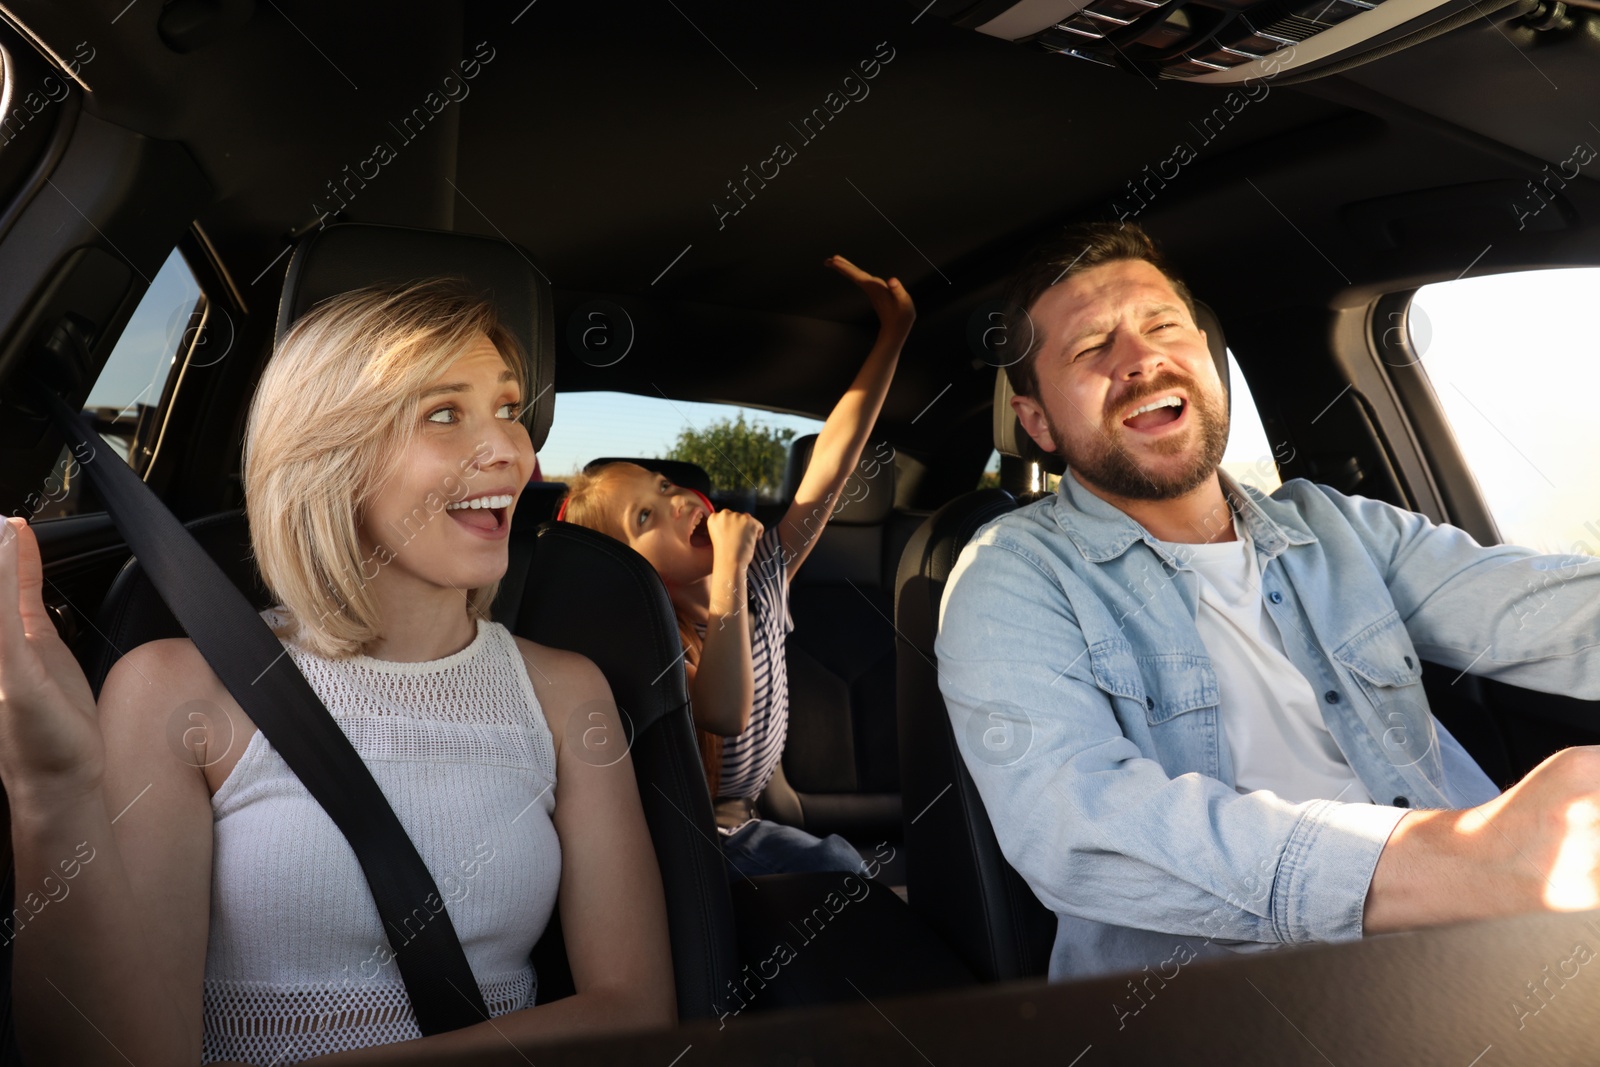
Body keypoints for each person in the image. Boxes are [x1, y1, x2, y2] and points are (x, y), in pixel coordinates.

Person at [0, 281, 674, 1065]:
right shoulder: (176, 690)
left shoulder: (566, 695)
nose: (512, 451)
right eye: (445, 413)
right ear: (333, 456)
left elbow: (637, 1014)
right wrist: (51, 789)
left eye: (509, 409)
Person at [936, 222, 1600, 986]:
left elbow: (1539, 608)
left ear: (1208, 363)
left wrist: (1486, 869)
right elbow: (1076, 825)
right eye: (1091, 348)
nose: (1141, 359)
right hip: (1228, 1006)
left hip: (1485, 946)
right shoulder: (1011, 574)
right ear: (1039, 421)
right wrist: (1461, 859)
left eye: (1163, 326)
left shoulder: (1336, 526)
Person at [557, 255, 914, 879]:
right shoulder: (658, 635)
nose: (674, 501)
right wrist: (728, 577)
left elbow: (833, 457)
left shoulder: (762, 577)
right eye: (645, 518)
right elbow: (722, 712)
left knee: (847, 872)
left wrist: (893, 335)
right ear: (626, 571)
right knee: (836, 877)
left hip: (747, 820)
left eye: (665, 485)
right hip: (690, 838)